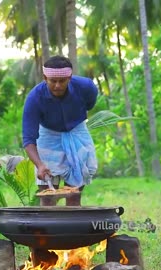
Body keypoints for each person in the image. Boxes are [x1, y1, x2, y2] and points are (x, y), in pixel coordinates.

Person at [22, 55, 99, 206]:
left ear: (70, 77)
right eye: (53, 81)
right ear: (45, 78)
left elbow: (90, 104)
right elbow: (28, 139)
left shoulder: (86, 87)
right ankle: (49, 228)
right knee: (48, 195)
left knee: (74, 194)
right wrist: (40, 165)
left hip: (76, 131)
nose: (57, 85)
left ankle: (71, 228)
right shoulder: (34, 98)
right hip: (48, 135)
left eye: (62, 81)